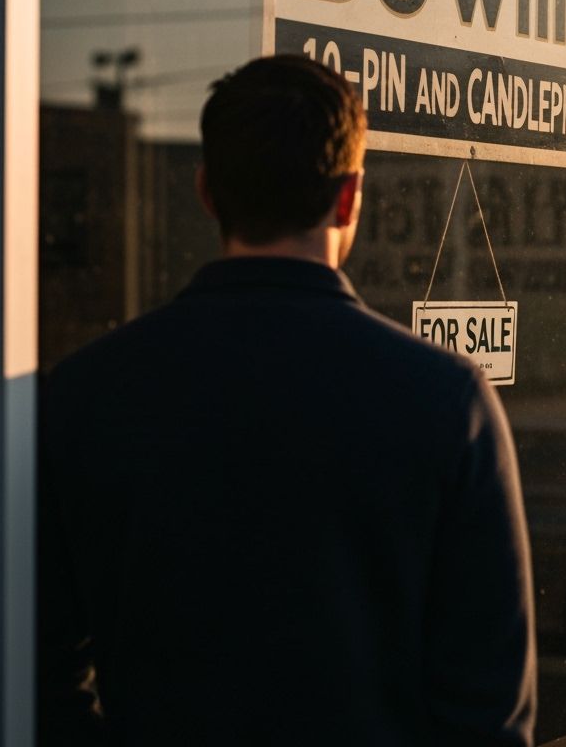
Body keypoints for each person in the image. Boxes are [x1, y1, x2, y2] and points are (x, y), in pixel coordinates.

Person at [38, 55, 536, 746]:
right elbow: (488, 713)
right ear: (350, 197)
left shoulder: (83, 393)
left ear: (207, 191)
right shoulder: (447, 402)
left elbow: (37, 674)